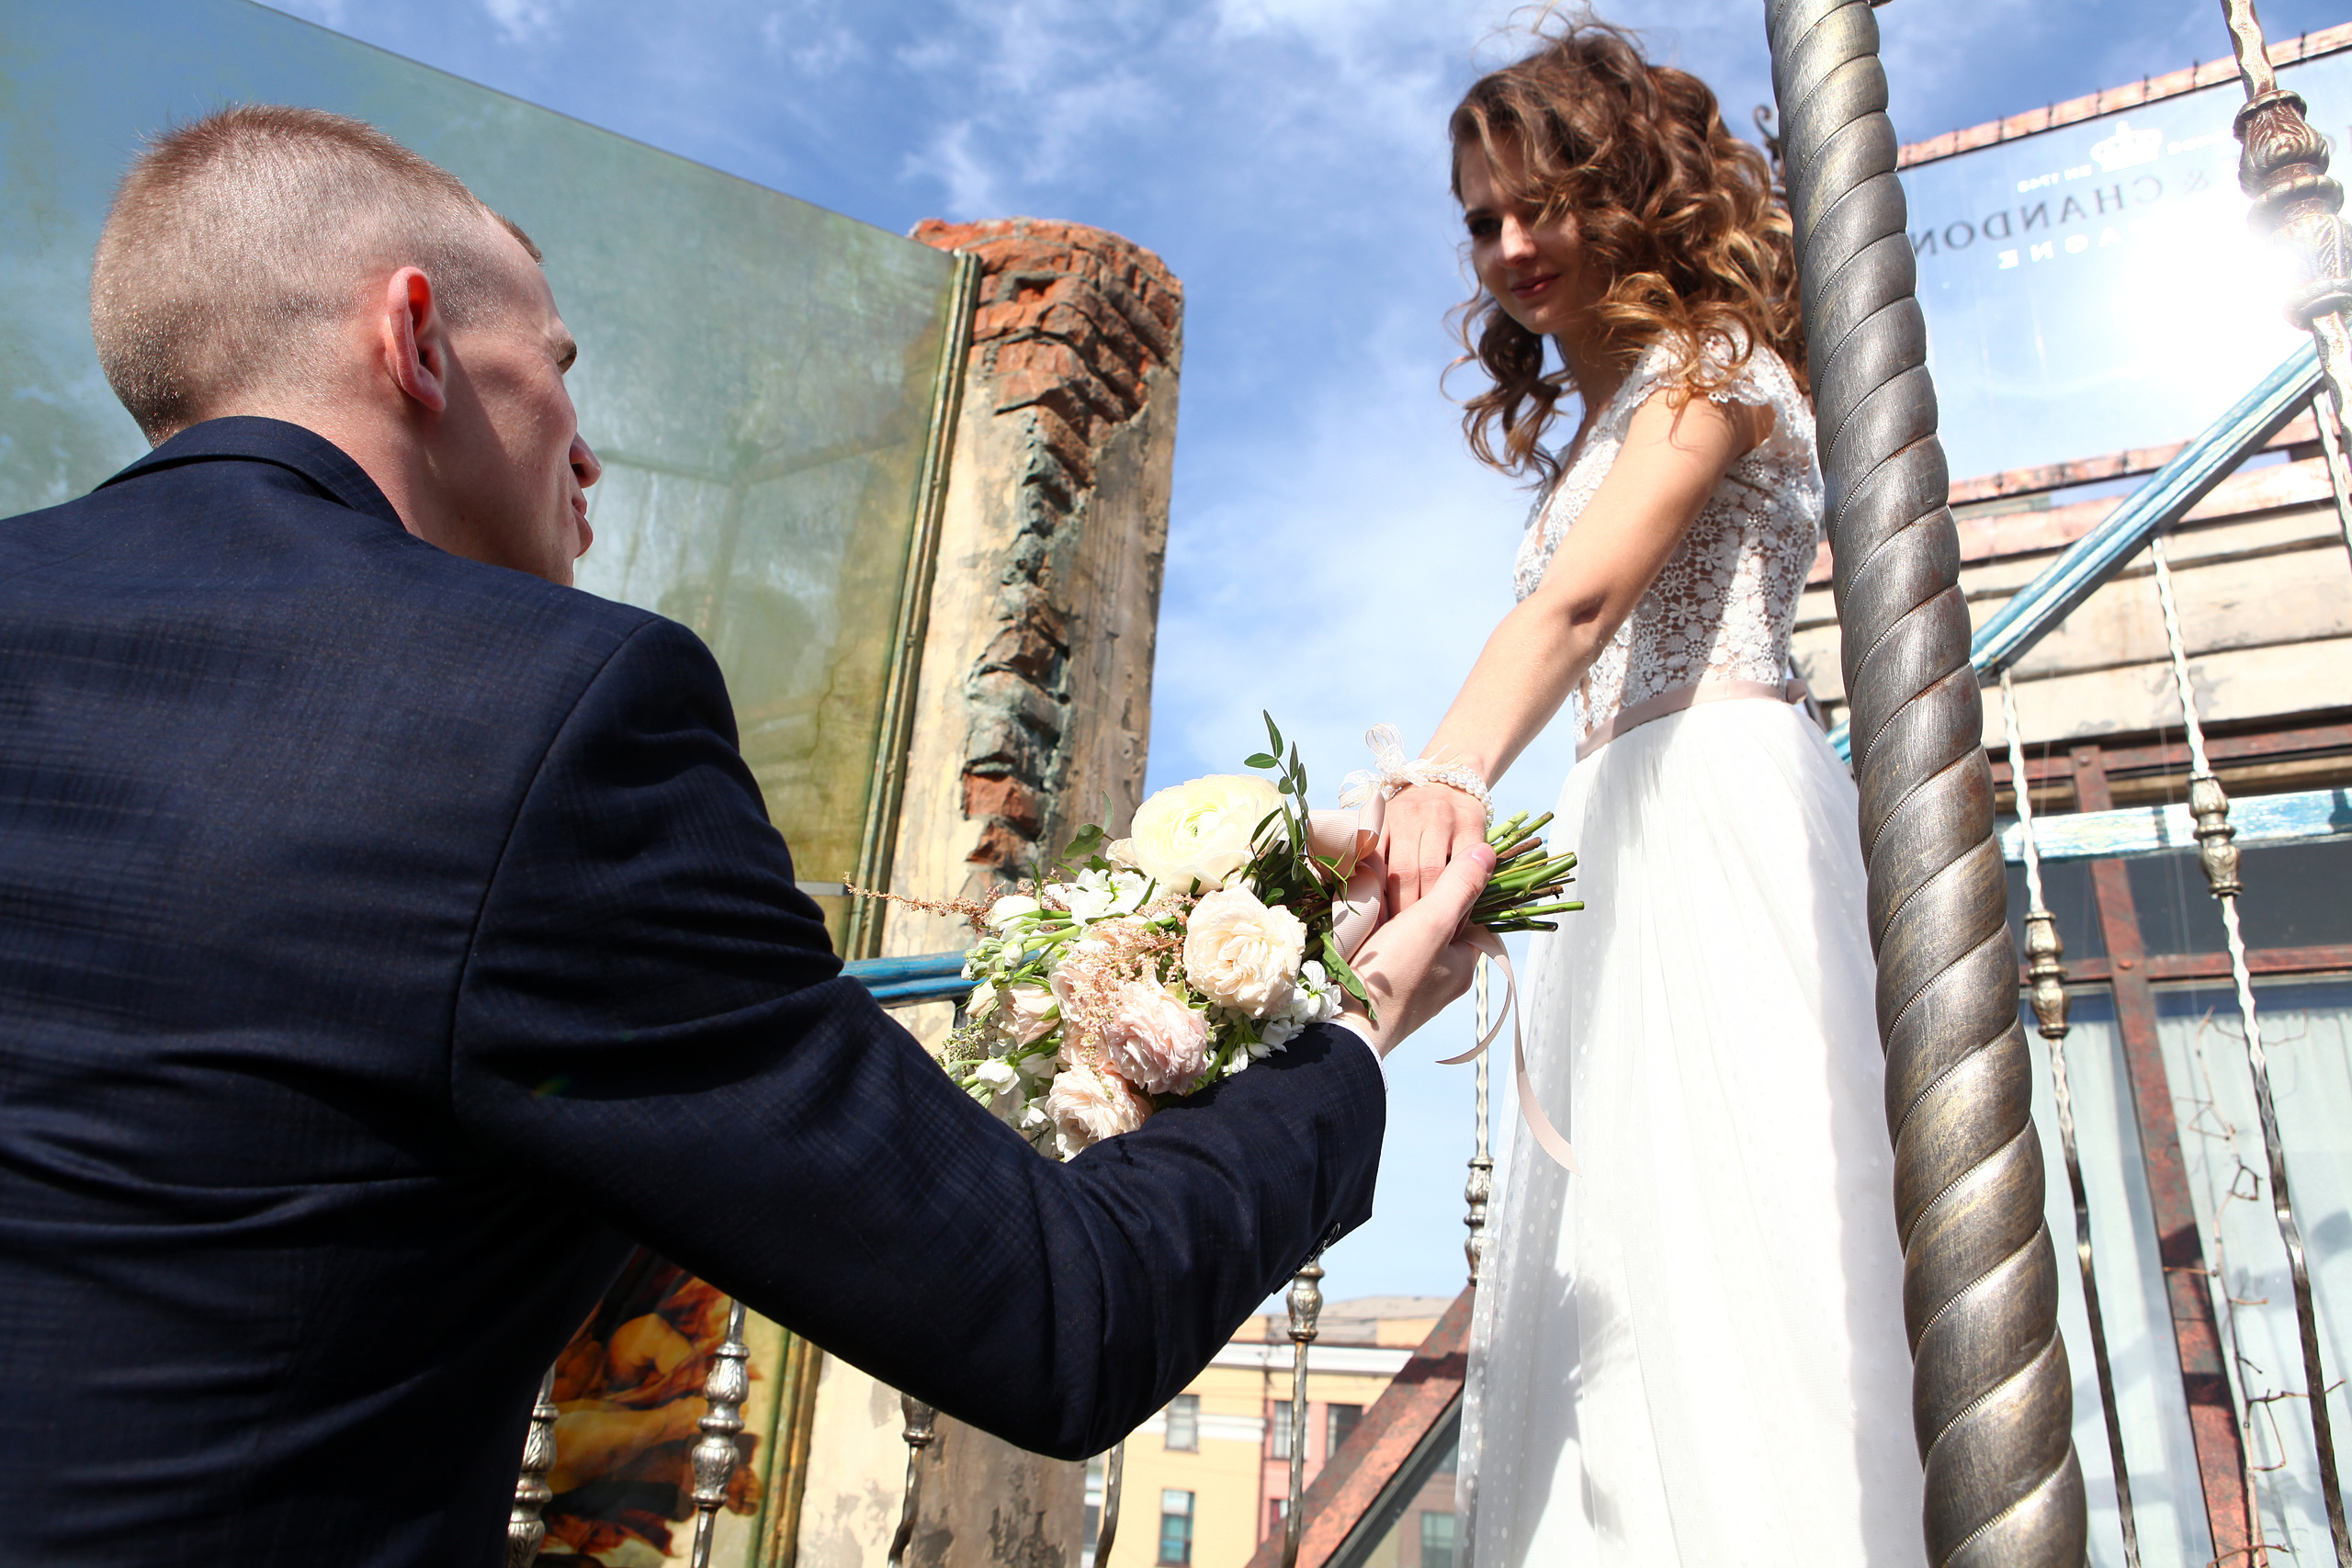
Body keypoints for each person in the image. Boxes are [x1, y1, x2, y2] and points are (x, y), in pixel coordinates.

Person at [0, 106, 1493, 1565]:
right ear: (416, 338)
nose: (582, 455)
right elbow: (1057, 1312)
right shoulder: (544, 712)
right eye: (557, 369)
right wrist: (1348, 1027)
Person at [1370, 25, 1924, 1564]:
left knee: (1755, 1243)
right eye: (1482, 220)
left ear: (1628, 188)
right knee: (1637, 1273)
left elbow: (1577, 612)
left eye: (1542, 199)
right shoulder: (1588, 446)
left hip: (1722, 815)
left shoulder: (1719, 370)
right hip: (1620, 844)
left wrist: (1448, 771)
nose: (1510, 244)